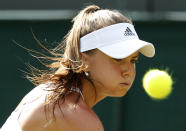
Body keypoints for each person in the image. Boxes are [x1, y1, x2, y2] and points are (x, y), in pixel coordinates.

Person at [1, 5, 155, 131]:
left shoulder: (51, 92)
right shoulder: (76, 117)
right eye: (118, 58)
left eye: (133, 60)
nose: (127, 71)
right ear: (84, 58)